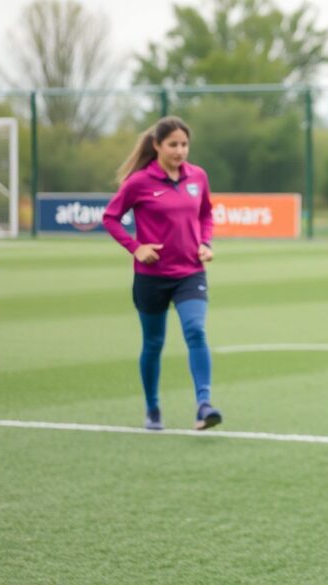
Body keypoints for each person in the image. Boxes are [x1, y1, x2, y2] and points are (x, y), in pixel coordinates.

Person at [103, 116, 222, 432]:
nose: (180, 151)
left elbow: (206, 213)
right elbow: (111, 218)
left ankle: (204, 405)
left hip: (190, 274)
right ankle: (153, 408)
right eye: (173, 144)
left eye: (184, 144)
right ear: (157, 145)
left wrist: (206, 243)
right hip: (151, 277)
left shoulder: (198, 177)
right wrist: (135, 247)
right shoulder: (139, 182)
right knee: (153, 343)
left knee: (196, 330)